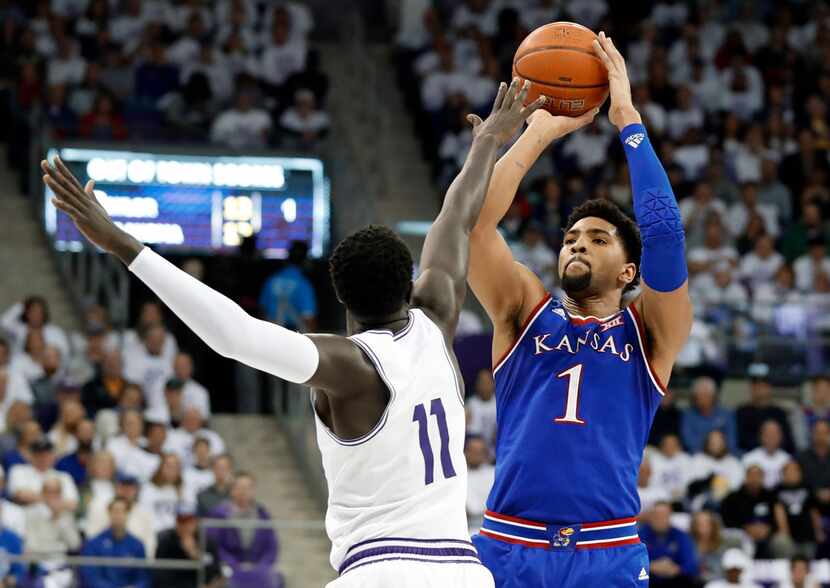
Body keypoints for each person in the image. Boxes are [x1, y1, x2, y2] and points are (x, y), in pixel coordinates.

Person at [42, 76, 545, 587]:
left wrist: (123, 244)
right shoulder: (438, 320)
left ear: (340, 297)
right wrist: (486, 142)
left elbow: (235, 335)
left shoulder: (351, 367)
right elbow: (456, 218)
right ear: (409, 283)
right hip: (464, 571)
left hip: (382, 571)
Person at [464, 33, 692, 587]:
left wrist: (628, 120)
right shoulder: (524, 309)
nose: (577, 244)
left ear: (629, 271)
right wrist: (535, 135)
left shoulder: (651, 335)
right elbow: (468, 227)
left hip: (606, 547)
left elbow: (663, 235)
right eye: (570, 238)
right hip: (507, 543)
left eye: (596, 239)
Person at [208, 472, 281, 588]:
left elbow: (272, 546)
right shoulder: (218, 515)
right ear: (232, 490)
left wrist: (261, 566)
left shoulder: (263, 515)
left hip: (258, 569)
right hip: (229, 568)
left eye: (248, 488)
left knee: (275, 579)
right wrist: (235, 565)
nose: (244, 492)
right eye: (240, 487)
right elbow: (215, 547)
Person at [80, 497, 150, 588]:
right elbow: (90, 577)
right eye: (115, 511)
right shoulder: (93, 544)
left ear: (128, 514)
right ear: (108, 513)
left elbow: (143, 577)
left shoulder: (137, 545)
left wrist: (136, 586)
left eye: (122, 511)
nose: (118, 515)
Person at [154, 504, 222, 588]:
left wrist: (195, 554)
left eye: (188, 520)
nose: (184, 526)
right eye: (180, 521)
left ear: (196, 522)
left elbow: (215, 572)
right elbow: (159, 572)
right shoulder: (166, 541)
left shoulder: (207, 542)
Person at [720, 465, 778, 558]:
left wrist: (768, 529)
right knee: (734, 539)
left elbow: (779, 519)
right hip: (741, 534)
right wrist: (745, 528)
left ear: (763, 478)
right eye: (752, 476)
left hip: (767, 534)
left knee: (780, 541)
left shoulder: (771, 497)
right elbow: (726, 519)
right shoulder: (733, 497)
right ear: (746, 477)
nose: (755, 479)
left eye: (758, 476)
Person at [258, 241, 317, 332]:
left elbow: (262, 309)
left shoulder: (272, 279)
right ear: (305, 260)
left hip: (270, 334)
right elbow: (309, 318)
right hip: (293, 337)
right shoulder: (303, 284)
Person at [736, 364, 795, 453]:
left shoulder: (779, 413)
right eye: (756, 385)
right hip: (749, 458)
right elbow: (740, 441)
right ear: (751, 388)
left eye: (763, 385)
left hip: (777, 458)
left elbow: (789, 444)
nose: (759, 389)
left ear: (769, 388)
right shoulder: (741, 412)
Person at [640, 501, 699, 587]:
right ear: (650, 517)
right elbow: (631, 564)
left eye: (664, 516)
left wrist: (676, 569)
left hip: (675, 581)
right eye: (657, 516)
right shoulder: (640, 536)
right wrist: (652, 566)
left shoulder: (681, 536)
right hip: (648, 581)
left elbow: (691, 564)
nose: (660, 520)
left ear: (670, 517)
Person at [773, 461, 823, 559]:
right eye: (788, 471)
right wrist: (785, 532)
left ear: (800, 473)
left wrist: (818, 531)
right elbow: (778, 511)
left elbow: (814, 511)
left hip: (807, 534)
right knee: (782, 542)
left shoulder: (808, 488)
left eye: (795, 471)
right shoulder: (777, 490)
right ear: (783, 474)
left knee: (807, 560)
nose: (792, 474)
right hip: (789, 535)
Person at [682, 377, 738, 454]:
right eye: (699, 395)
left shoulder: (726, 414)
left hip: (723, 456)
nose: (702, 399)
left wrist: (718, 450)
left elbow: (731, 441)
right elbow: (689, 441)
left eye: (705, 395)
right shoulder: (688, 415)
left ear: (713, 396)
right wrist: (709, 449)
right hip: (697, 456)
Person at [742, 420, 792, 489]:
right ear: (761, 436)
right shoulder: (749, 458)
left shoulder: (787, 459)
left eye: (775, 434)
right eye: (768, 433)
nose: (772, 437)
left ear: (781, 437)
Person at [464, 435, 494, 532]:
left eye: (481, 451)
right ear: (465, 452)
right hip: (466, 529)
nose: (477, 454)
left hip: (491, 529)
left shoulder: (494, 473)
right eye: (473, 451)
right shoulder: (457, 476)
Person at [690, 510, 729, 584]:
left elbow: (721, 571)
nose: (703, 526)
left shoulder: (721, 545)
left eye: (706, 523)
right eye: (699, 523)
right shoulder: (688, 543)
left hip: (716, 582)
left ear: (713, 525)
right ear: (694, 525)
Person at [465, 369, 497, 449]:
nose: (485, 386)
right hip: (476, 447)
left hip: (496, 446)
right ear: (477, 385)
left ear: (493, 384)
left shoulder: (500, 404)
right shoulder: (470, 404)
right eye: (482, 382)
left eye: (488, 383)